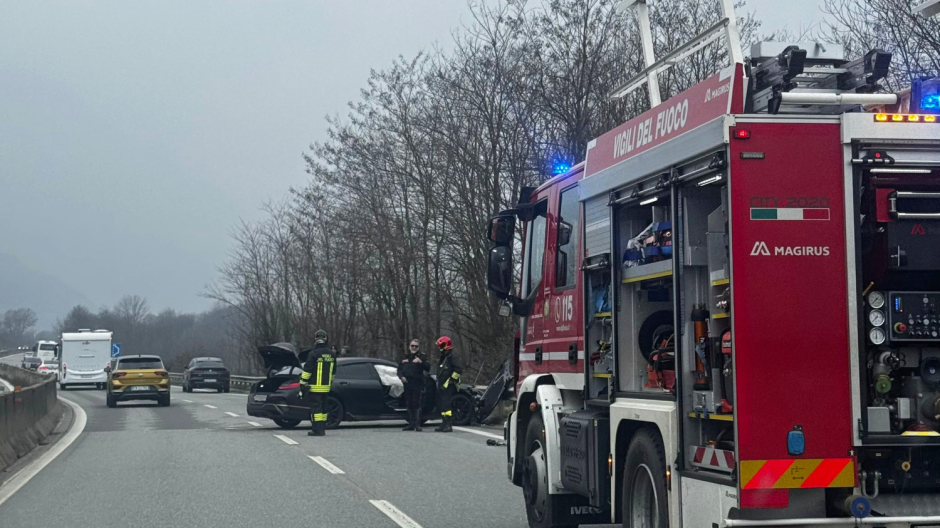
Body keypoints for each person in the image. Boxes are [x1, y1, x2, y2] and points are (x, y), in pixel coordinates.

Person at [300, 329, 335, 437]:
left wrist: (302, 383)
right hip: (326, 387)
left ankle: (317, 430)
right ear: (326, 339)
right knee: (324, 409)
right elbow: (334, 371)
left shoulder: (313, 353)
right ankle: (323, 428)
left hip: (315, 387)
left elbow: (307, 370)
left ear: (315, 339)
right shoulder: (331, 354)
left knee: (316, 410)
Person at [398, 339, 429, 431]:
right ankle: (411, 424)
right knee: (409, 403)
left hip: (417, 383)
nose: (414, 348)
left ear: (418, 348)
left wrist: (421, 362)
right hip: (407, 383)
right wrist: (401, 377)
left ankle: (417, 424)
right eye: (412, 346)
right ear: (409, 347)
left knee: (417, 403)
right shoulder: (405, 356)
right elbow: (399, 369)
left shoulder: (422, 357)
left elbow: (428, 367)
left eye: (416, 346)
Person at [434, 336, 462, 433]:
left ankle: (449, 425)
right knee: (442, 405)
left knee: (447, 405)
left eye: (441, 345)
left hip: (448, 386)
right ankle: (443, 423)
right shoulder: (444, 357)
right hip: (441, 385)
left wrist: (451, 380)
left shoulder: (452, 357)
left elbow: (458, 370)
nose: (439, 348)